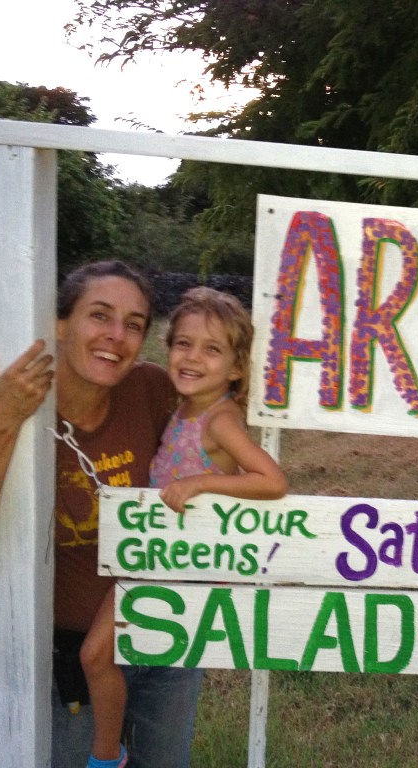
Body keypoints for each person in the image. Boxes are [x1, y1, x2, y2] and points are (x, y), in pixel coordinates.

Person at [0, 261, 196, 768]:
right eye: (100, 315)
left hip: (165, 635)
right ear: (59, 323)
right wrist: (6, 421)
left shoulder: (152, 389)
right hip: (64, 661)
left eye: (134, 324)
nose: (116, 335)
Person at [79, 286, 286, 768]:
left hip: (181, 571)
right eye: (183, 344)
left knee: (99, 655)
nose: (192, 357)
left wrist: (201, 483)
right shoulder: (184, 408)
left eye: (212, 349)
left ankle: (107, 758)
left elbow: (272, 481)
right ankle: (111, 753)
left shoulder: (221, 419)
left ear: (235, 368)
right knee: (98, 656)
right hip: (151, 559)